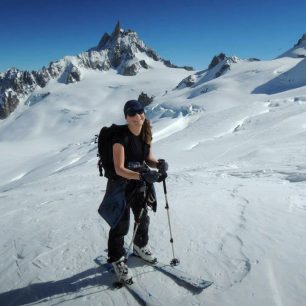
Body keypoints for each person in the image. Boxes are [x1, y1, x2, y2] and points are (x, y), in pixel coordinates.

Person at [100, 100, 168, 283]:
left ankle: (139, 246)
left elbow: (147, 157)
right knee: (120, 225)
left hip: (139, 185)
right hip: (120, 186)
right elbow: (120, 168)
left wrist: (158, 164)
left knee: (143, 218)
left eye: (140, 112)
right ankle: (117, 258)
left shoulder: (145, 132)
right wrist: (143, 176)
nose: (137, 117)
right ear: (126, 117)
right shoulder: (120, 138)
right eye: (132, 113)